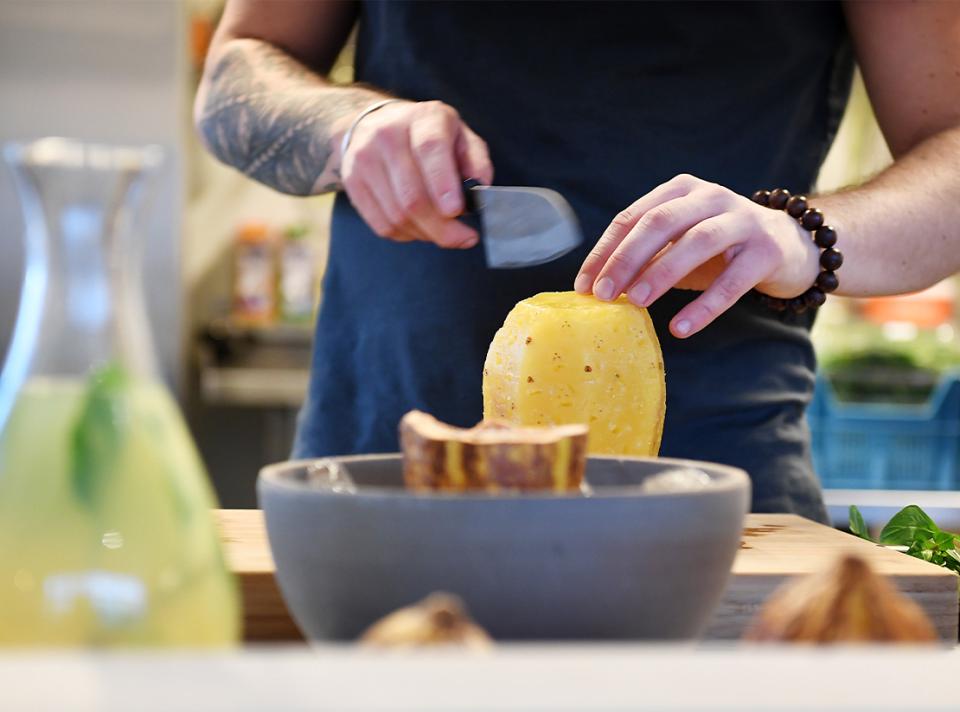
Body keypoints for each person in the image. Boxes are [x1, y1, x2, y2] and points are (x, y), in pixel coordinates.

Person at [195, 1, 960, 522]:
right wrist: (346, 127)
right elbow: (234, 72)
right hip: (381, 469)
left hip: (712, 494)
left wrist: (801, 235)